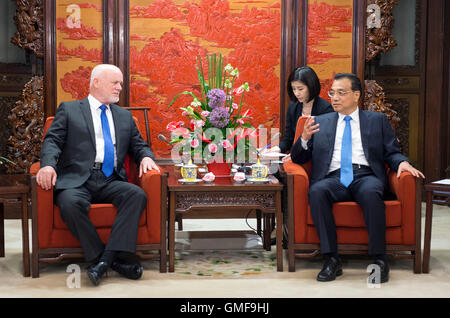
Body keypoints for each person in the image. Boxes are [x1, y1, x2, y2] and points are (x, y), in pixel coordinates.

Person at [291, 73, 424, 283]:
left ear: (356, 95)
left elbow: (392, 151)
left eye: (341, 93)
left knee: (371, 193)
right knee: (317, 191)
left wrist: (402, 163)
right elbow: (298, 158)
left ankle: (380, 260)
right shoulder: (319, 122)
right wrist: (304, 139)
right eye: (332, 93)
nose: (334, 97)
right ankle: (331, 259)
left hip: (365, 175)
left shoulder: (377, 120)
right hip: (333, 177)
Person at [36, 64, 159, 286]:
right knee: (69, 203)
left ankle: (104, 261)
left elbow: (139, 146)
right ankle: (109, 259)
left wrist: (146, 157)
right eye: (115, 82)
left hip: (110, 178)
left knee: (136, 195)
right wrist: (47, 165)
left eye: (120, 83)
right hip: (77, 180)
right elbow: (52, 141)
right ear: (96, 82)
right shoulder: (70, 109)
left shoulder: (124, 116)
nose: (120, 87)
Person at [263, 66, 334, 162]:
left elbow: (322, 144)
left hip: (317, 160)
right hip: (296, 156)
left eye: (300, 89)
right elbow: (288, 139)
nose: (297, 93)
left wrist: (294, 154)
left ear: (311, 86)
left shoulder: (326, 109)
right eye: (294, 89)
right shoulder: (293, 107)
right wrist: (276, 149)